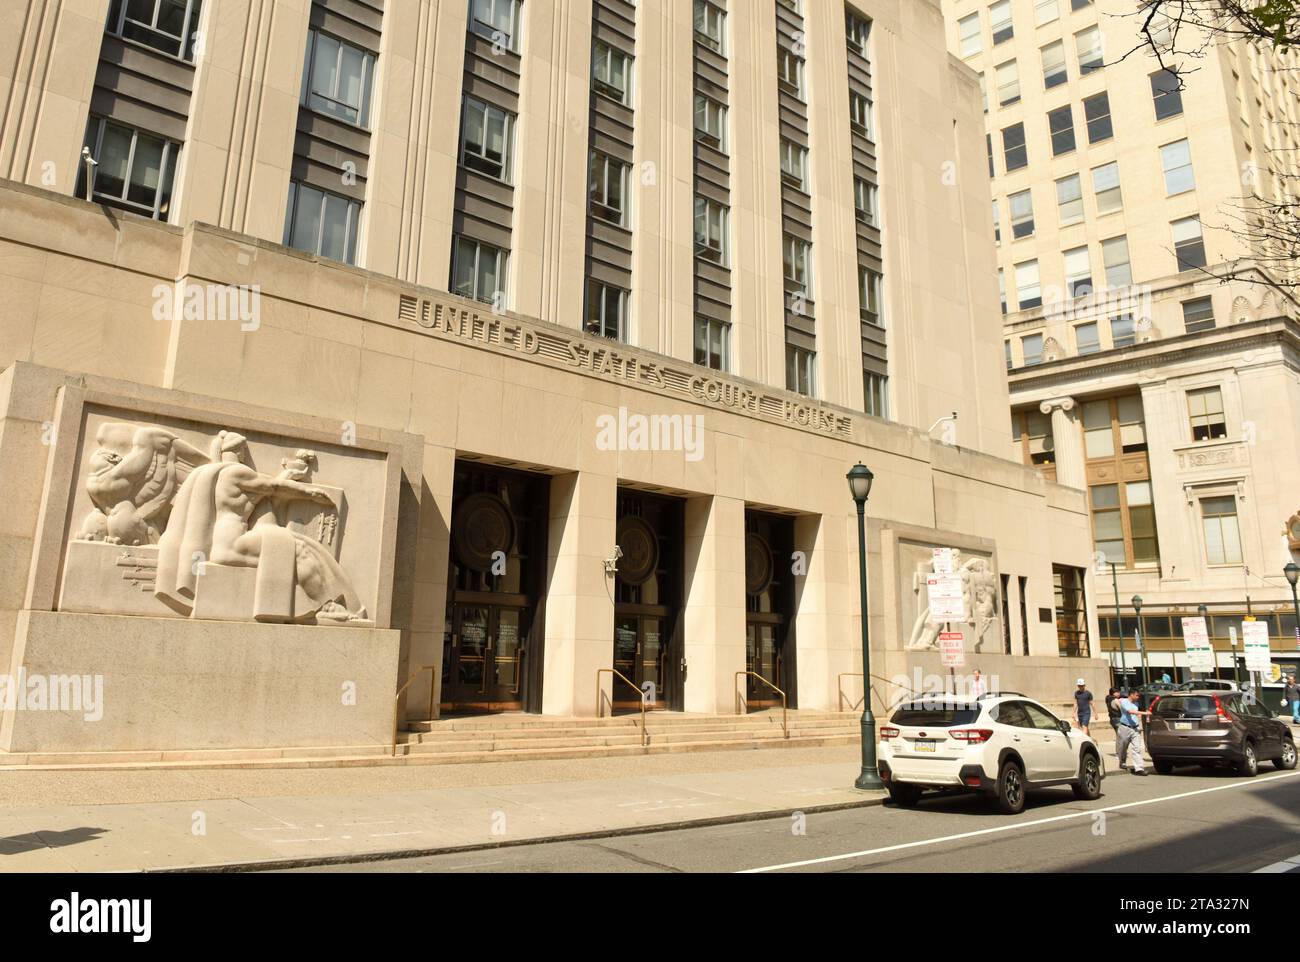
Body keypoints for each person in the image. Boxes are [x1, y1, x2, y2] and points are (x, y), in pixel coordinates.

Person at [1116, 688, 1151, 776]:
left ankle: (1139, 768)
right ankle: (1122, 762)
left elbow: (1135, 715)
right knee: (1123, 747)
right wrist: (1145, 713)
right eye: (1136, 695)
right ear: (1131, 694)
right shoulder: (1124, 702)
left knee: (1137, 748)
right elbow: (1130, 712)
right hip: (1125, 728)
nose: (1138, 697)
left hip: (1135, 729)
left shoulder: (1136, 703)